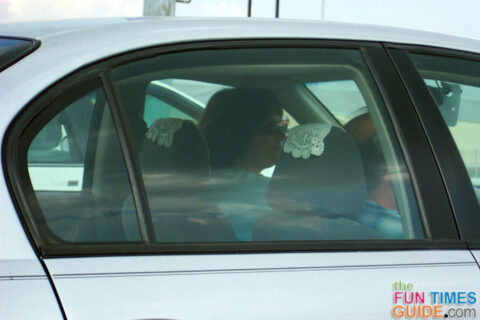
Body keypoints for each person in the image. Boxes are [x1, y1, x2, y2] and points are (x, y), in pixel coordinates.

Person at [198, 88, 287, 241]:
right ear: (241, 131)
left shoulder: (196, 183)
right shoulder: (274, 193)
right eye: (271, 127)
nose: (282, 135)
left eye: (281, 126)